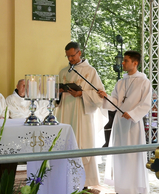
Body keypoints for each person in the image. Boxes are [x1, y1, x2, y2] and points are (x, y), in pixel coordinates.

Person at [97, 51, 151, 194]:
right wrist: (105, 96)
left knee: (132, 155)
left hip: (133, 125)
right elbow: (115, 101)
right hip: (119, 123)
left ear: (135, 63)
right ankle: (121, 188)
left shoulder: (144, 82)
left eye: (126, 60)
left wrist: (132, 114)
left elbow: (146, 104)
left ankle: (133, 188)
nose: (123, 63)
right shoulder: (121, 82)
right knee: (119, 155)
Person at [54, 41, 105, 187]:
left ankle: (84, 183)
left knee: (82, 145)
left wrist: (81, 93)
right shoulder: (64, 72)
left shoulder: (91, 71)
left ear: (79, 53)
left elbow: (99, 95)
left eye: (72, 56)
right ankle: (65, 181)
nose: (70, 59)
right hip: (65, 113)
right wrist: (58, 92)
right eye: (67, 57)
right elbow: (56, 98)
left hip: (82, 114)